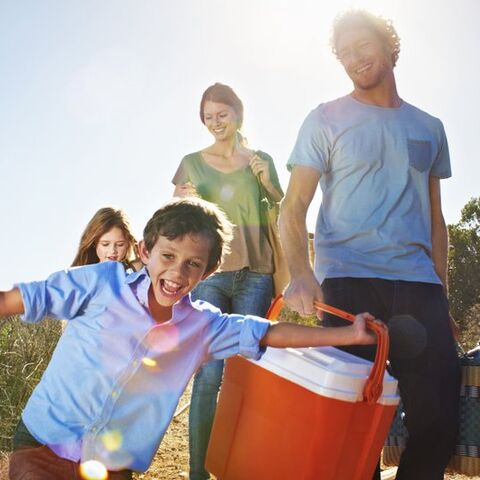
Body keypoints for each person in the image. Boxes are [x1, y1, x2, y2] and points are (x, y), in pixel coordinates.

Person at [1, 196, 379, 480]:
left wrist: (349, 333)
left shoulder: (203, 327)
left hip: (109, 467)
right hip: (43, 445)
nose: (177, 272)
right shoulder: (100, 283)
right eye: (167, 255)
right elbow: (24, 298)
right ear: (145, 251)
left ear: (210, 270)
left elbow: (265, 332)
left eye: (192, 264)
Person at [279, 9, 460, 480]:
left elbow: (435, 218)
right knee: (350, 423)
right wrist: (301, 271)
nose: (354, 59)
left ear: (388, 45)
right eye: (344, 54)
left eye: (363, 47)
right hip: (348, 285)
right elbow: (292, 206)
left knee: (437, 421)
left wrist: (442, 292)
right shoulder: (324, 119)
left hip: (419, 288)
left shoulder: (429, 127)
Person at [172, 83, 284, 480]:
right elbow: (176, 218)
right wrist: (180, 198)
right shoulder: (191, 162)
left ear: (238, 113)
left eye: (222, 114)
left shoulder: (260, 159)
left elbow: (282, 209)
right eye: (208, 117)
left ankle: (244, 468)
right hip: (210, 276)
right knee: (209, 375)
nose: (215, 122)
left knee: (247, 375)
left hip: (256, 274)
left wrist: (266, 178)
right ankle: (199, 474)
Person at [71, 206, 141, 272]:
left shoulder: (134, 270)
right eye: (105, 244)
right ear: (94, 243)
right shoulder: (80, 276)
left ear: (128, 244)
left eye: (120, 244)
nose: (113, 251)